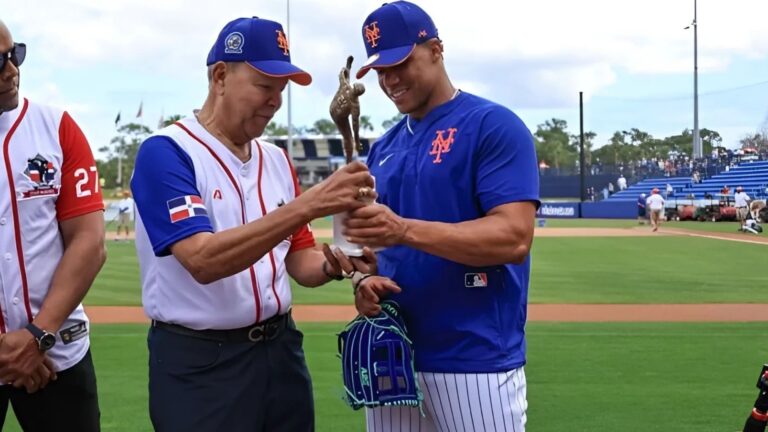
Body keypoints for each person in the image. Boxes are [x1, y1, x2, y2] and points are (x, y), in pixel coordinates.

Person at [130, 17, 376, 432]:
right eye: (265, 86)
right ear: (221, 76)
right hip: (201, 361)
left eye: (281, 89)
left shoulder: (277, 160)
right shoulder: (167, 152)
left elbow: (300, 261)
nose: (276, 100)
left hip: (280, 351)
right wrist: (308, 205)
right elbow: (203, 260)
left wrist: (336, 264)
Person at [344, 2, 540, 430]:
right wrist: (363, 279)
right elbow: (377, 253)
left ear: (435, 49)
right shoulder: (384, 147)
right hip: (393, 352)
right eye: (379, 70)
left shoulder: (492, 125)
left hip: (474, 355)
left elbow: (513, 238)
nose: (389, 79)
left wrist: (403, 230)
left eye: (400, 63)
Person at [0, 20, 105, 431]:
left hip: (56, 354)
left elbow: (89, 242)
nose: (11, 71)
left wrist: (35, 337)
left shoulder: (57, 127)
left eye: (15, 55)